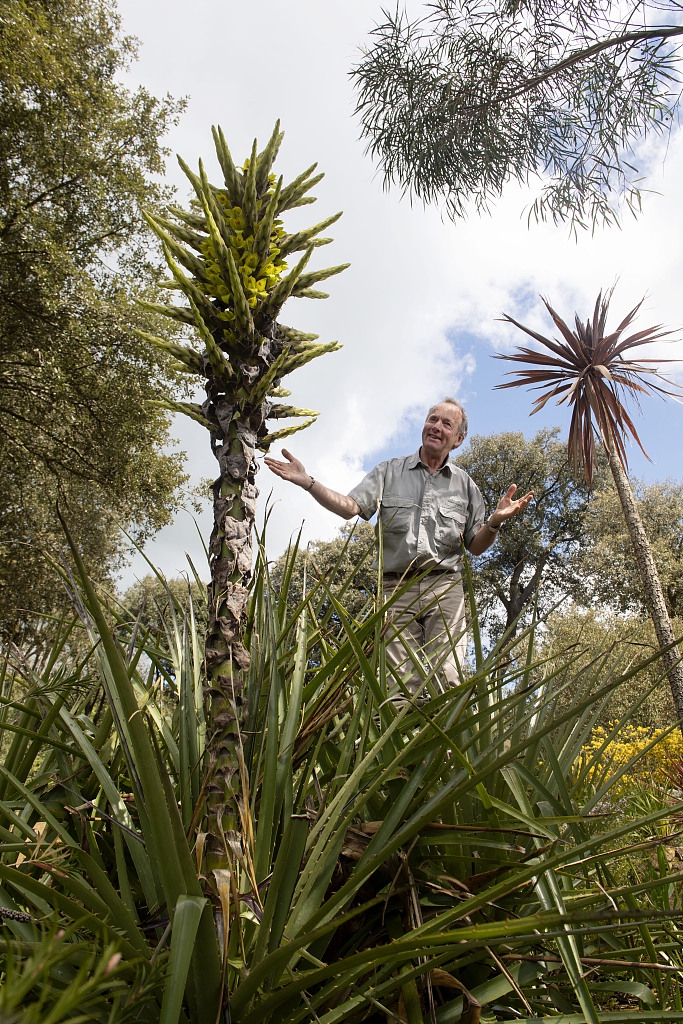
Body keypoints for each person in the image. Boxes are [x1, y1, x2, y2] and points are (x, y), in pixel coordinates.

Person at [264, 398, 533, 695]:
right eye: (432, 419)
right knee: (396, 685)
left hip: (444, 588)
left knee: (449, 675)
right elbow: (350, 507)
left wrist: (494, 521)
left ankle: (445, 740)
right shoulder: (389, 471)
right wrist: (309, 482)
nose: (436, 427)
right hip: (394, 589)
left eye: (446, 423)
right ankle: (403, 738)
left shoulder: (465, 486)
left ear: (457, 439)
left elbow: (476, 546)